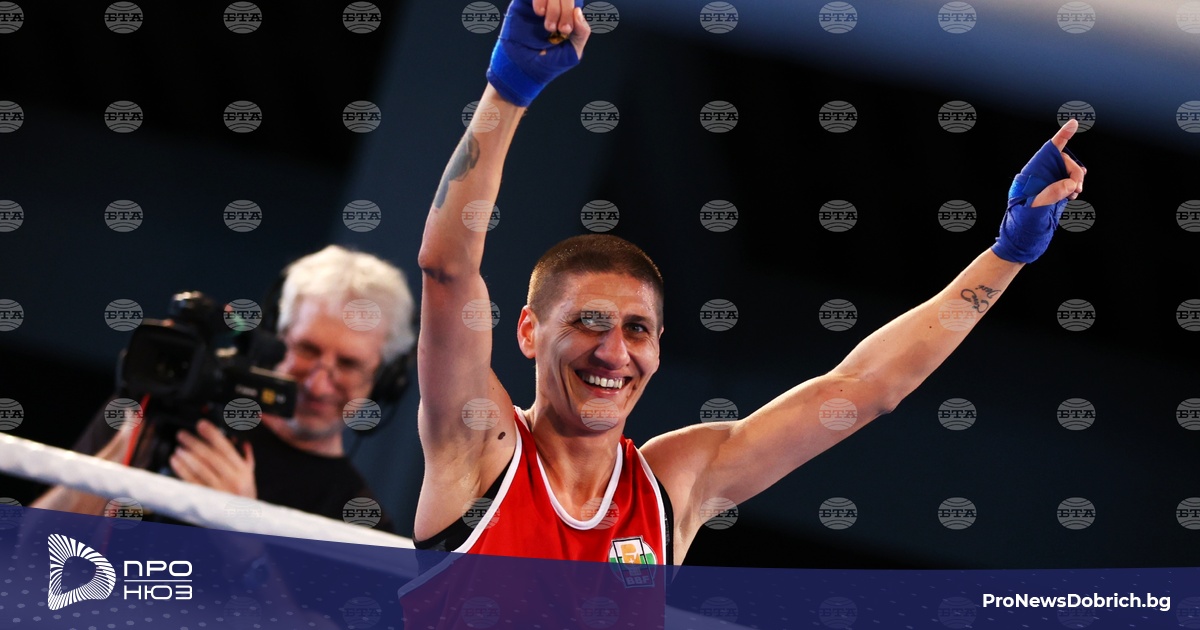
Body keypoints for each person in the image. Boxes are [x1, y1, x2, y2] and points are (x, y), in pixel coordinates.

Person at [411, 0, 1086, 567]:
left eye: (637, 329)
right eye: (589, 321)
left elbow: (865, 389)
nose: (614, 352)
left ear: (658, 346)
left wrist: (1008, 254)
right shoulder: (480, 446)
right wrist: (508, 92)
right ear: (529, 331)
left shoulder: (672, 488)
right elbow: (447, 270)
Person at [31, 244, 416, 533]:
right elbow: (28, 552)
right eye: (306, 349)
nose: (318, 383)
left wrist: (244, 536)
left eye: (348, 364)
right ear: (277, 337)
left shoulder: (360, 518)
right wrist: (117, 461)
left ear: (385, 379)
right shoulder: (170, 397)